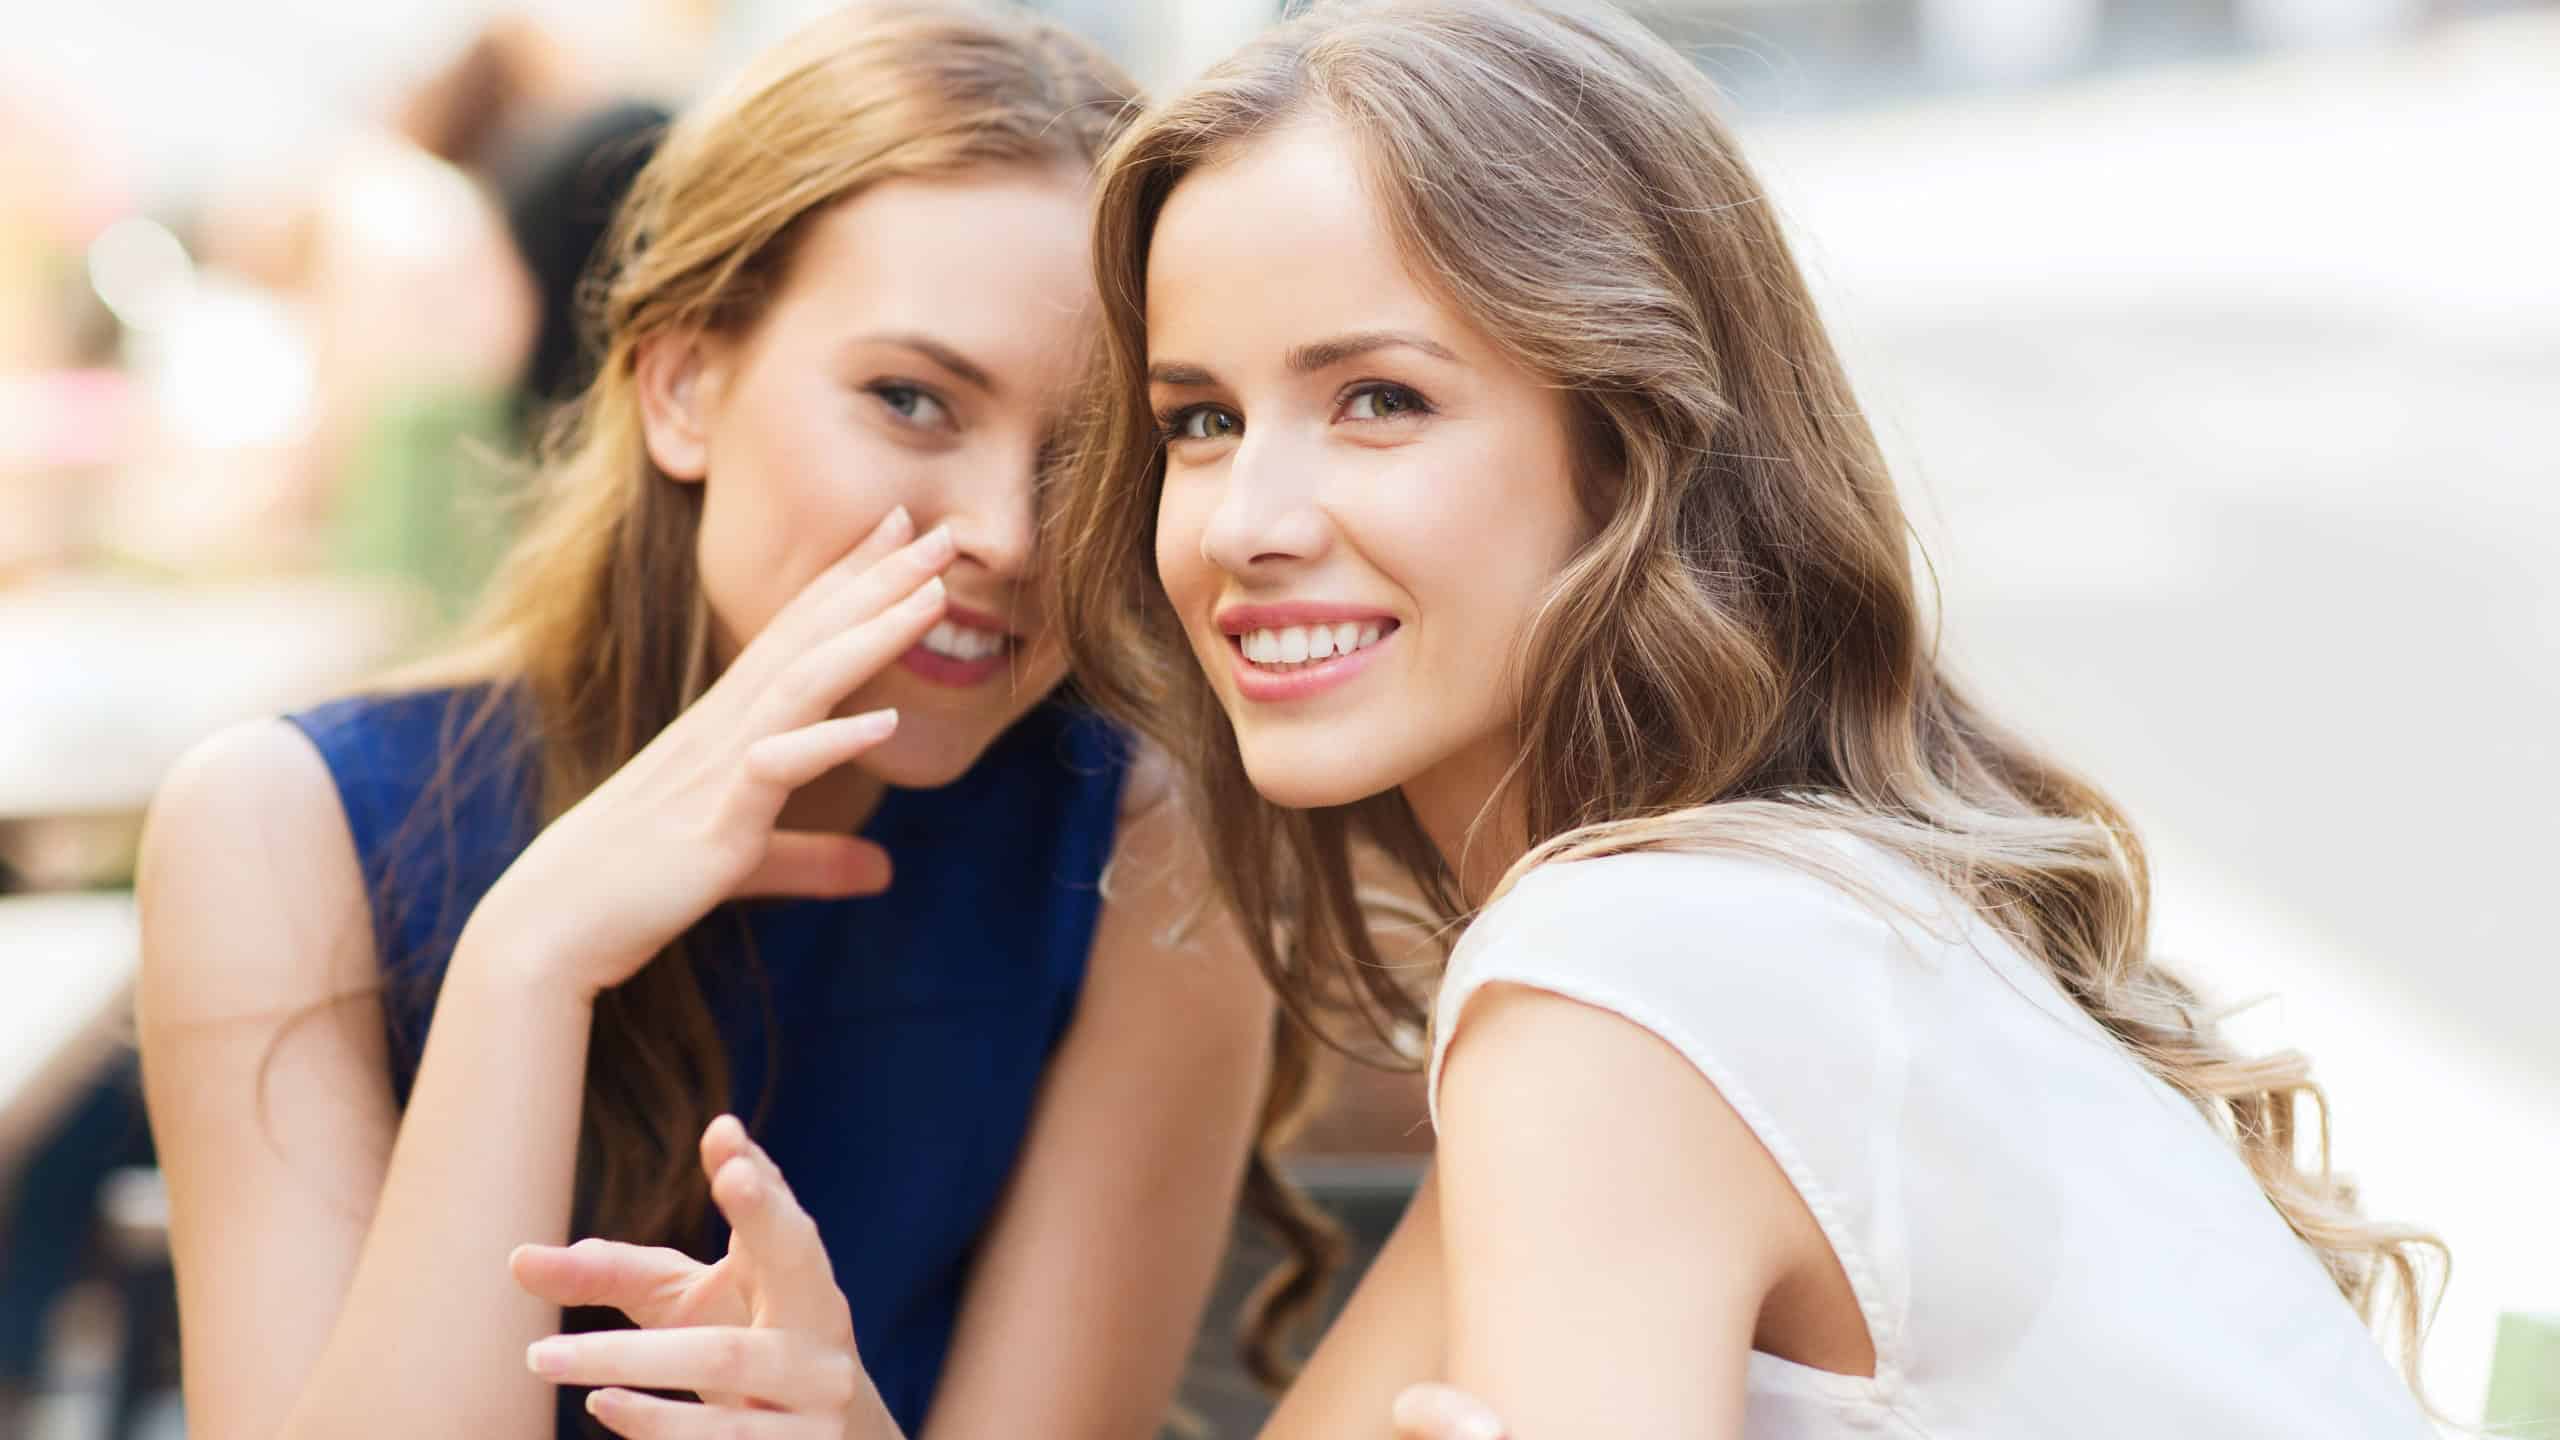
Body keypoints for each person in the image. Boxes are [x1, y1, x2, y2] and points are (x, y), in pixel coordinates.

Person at [510, 2, 2445, 1436]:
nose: (1249, 524)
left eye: (1380, 400)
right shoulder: (1708, 940)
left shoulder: (1624, 988)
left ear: (1632, 444)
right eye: (1197, 418)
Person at [133, 6, 1283, 1438]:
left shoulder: (1150, 855)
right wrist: (526, 963)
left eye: (1094, 451)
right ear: (684, 385)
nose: (1005, 532)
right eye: (913, 400)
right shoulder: (283, 829)